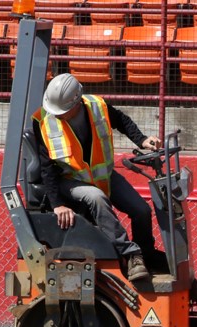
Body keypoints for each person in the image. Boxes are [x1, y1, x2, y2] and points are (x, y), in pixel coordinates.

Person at [32, 73, 161, 282]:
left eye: (63, 111)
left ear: (77, 101)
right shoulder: (43, 121)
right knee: (96, 198)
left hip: (104, 176)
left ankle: (147, 254)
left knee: (141, 210)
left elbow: (121, 120)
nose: (58, 115)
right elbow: (46, 168)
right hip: (70, 180)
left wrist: (142, 140)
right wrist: (57, 204)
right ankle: (131, 256)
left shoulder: (97, 106)